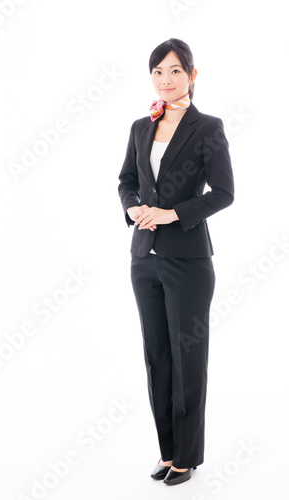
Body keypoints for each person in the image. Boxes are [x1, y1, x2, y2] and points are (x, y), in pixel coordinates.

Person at [117, 38, 234, 486]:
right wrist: (132, 208)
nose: (165, 80)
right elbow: (127, 179)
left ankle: (187, 457)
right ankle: (167, 452)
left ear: (192, 75)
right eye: (158, 72)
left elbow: (224, 193)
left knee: (188, 359)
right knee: (157, 357)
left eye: (174, 71)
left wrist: (172, 213)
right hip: (143, 258)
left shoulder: (208, 127)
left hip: (187, 260)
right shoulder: (140, 126)